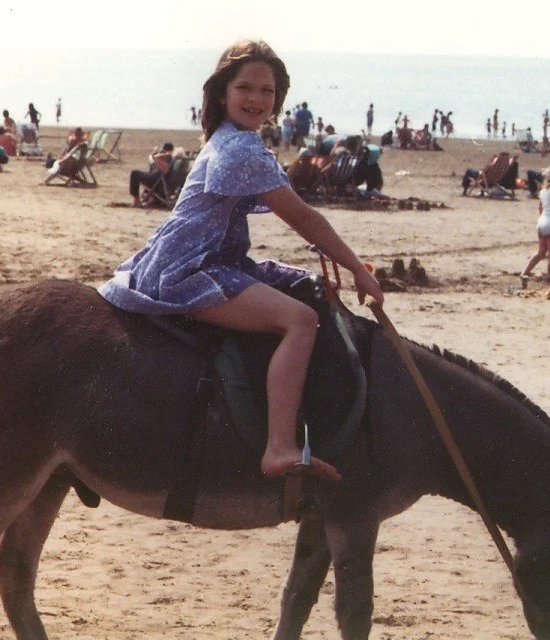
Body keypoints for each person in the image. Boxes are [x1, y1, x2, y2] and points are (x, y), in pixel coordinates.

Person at [98, 39, 382, 481]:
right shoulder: (242, 149)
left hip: (205, 256)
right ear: (222, 93)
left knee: (300, 286)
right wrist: (358, 269)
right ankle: (279, 448)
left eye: (266, 91)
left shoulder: (229, 138)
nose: (256, 99)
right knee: (300, 321)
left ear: (278, 99)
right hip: (189, 268)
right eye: (245, 88)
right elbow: (304, 218)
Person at [129, 142, 175, 207]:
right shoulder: (166, 161)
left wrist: (154, 153)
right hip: (157, 181)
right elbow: (152, 164)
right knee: (139, 173)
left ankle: (136, 200)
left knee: (135, 173)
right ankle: (141, 199)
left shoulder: (168, 156)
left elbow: (154, 158)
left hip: (156, 181)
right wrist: (152, 155)